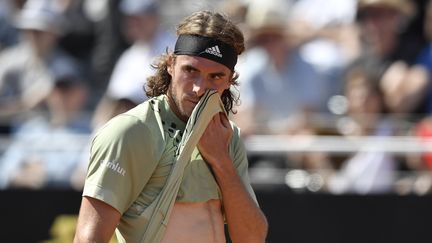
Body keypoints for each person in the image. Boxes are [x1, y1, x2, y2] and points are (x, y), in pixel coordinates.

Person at [74, 10, 268, 243]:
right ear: (170, 65)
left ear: (229, 81)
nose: (199, 89)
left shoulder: (227, 137)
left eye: (215, 77)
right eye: (191, 70)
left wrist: (220, 160)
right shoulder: (128, 132)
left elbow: (252, 238)